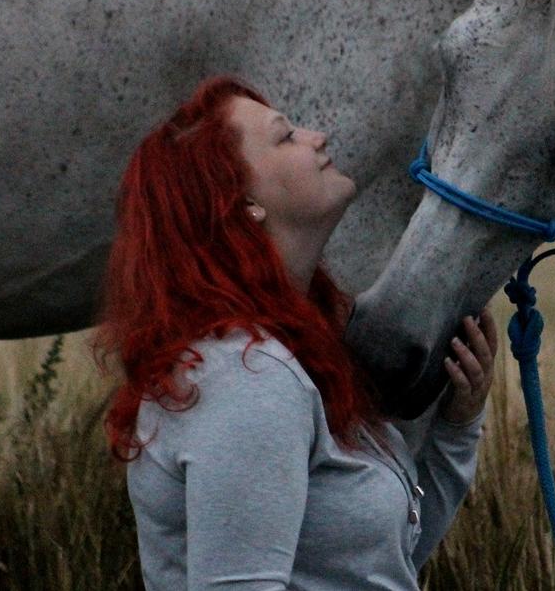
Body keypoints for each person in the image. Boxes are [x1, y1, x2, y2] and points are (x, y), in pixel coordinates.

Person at [94, 76, 498, 589]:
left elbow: (383, 566)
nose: (317, 137)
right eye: (286, 137)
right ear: (243, 204)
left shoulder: (293, 356)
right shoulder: (247, 381)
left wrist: (457, 429)